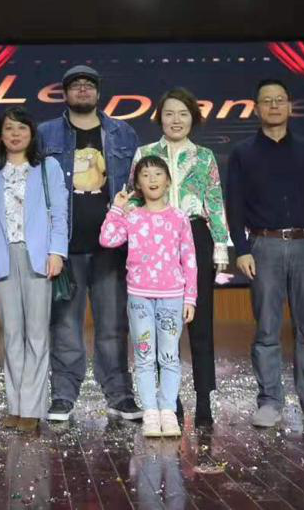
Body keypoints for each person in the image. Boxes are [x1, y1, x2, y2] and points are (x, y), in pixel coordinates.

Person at [225, 79, 304, 428]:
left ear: (290, 106)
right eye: (267, 101)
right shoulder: (243, 153)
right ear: (256, 108)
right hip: (264, 246)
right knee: (267, 329)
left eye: (280, 100)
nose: (274, 106)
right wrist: (242, 249)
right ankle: (270, 402)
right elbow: (234, 206)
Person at [40, 65, 142, 423]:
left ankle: (119, 395)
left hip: (111, 249)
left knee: (113, 326)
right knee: (64, 326)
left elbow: (137, 186)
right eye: (75, 85)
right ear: (64, 93)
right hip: (65, 247)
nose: (82, 90)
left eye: (89, 85)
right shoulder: (46, 134)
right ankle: (63, 396)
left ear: (98, 93)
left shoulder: (122, 133)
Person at [130, 87, 230, 426]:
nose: (176, 120)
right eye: (170, 113)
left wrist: (220, 245)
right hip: (154, 240)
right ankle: (168, 401)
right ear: (160, 117)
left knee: (200, 322)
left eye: (183, 114)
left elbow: (214, 200)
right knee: (161, 326)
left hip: (195, 235)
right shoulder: (145, 152)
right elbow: (134, 197)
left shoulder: (204, 157)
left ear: (193, 119)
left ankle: (203, 398)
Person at [0, 107, 69, 433]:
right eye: (9, 128)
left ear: (32, 134)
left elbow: (60, 213)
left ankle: (31, 408)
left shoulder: (48, 167)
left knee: (37, 334)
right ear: (0, 136)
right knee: (12, 334)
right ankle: (15, 405)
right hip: (3, 257)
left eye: (21, 128)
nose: (15, 134)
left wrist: (57, 252)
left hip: (39, 257)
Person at [100, 156, 197, 438]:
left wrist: (190, 298)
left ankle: (168, 411)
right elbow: (107, 239)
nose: (152, 179)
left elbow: (189, 259)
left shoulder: (179, 218)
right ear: (138, 184)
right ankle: (151, 412)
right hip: (140, 298)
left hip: (172, 297)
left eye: (157, 174)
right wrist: (117, 208)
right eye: (145, 175)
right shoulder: (132, 216)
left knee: (169, 357)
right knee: (144, 357)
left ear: (168, 181)